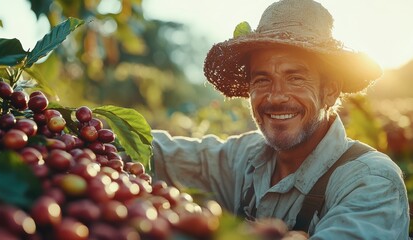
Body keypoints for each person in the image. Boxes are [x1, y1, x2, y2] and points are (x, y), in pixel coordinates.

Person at [151, 0, 410, 239]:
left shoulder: (371, 181)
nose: (276, 97)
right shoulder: (245, 158)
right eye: (262, 80)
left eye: (295, 78)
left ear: (330, 91)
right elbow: (160, 154)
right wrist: (112, 131)